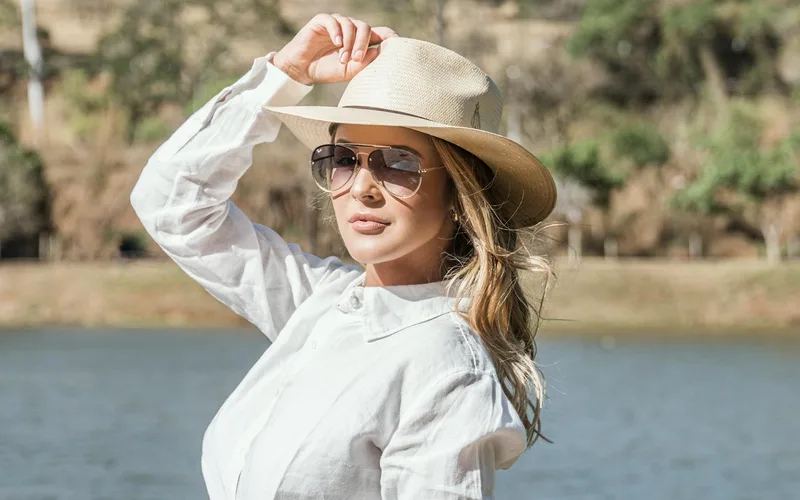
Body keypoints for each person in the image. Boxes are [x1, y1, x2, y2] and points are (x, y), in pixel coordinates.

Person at [130, 12, 557, 500]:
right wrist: (284, 75)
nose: (362, 188)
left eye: (399, 164)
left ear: (460, 196)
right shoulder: (322, 304)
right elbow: (171, 205)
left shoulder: (446, 367)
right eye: (343, 159)